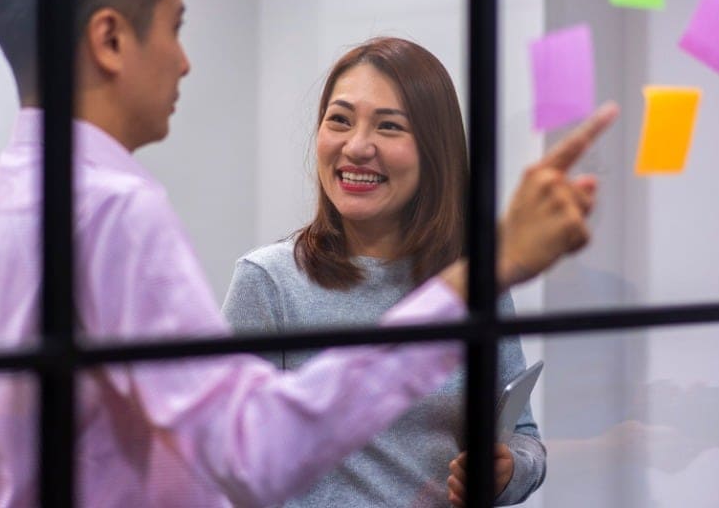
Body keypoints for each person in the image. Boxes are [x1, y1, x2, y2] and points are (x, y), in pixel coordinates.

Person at [0, 0, 618, 506]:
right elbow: (255, 454)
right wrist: (488, 269)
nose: (184, 63)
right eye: (174, 29)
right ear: (111, 39)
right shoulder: (117, 213)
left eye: (389, 126)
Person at [222, 37, 546, 507]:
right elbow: (228, 463)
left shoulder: (473, 285)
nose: (356, 147)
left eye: (389, 126)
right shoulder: (268, 281)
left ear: (435, 151)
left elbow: (524, 435)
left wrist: (510, 469)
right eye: (339, 120)